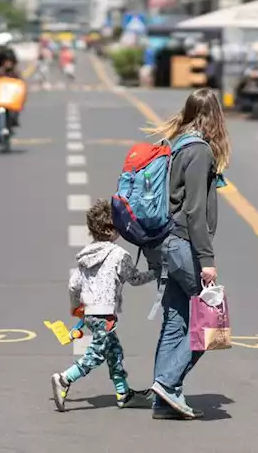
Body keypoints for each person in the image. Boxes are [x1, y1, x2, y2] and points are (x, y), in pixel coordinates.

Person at [146, 87, 230, 420]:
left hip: (168, 243)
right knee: (212, 322)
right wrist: (207, 260)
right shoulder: (200, 152)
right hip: (184, 245)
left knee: (175, 322)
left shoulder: (178, 145)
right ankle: (167, 383)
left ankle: (162, 400)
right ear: (213, 116)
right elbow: (194, 211)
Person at [50, 198, 156, 412]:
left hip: (90, 313)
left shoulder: (86, 255)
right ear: (111, 229)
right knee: (96, 354)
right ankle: (64, 379)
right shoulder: (119, 255)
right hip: (105, 314)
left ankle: (123, 392)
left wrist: (75, 307)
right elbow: (134, 279)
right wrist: (156, 272)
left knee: (114, 351)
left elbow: (73, 285)